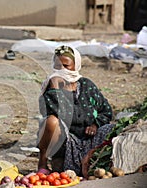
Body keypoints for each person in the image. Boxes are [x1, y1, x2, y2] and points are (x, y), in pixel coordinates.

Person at [37, 45, 114, 176]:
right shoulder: (51, 88)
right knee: (51, 122)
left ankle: (95, 162)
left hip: (91, 140)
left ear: (76, 65)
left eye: (66, 66)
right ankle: (43, 163)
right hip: (67, 141)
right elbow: (54, 113)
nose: (62, 70)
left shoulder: (86, 85)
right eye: (58, 66)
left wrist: (96, 124)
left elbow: (106, 110)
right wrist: (55, 89)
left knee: (113, 129)